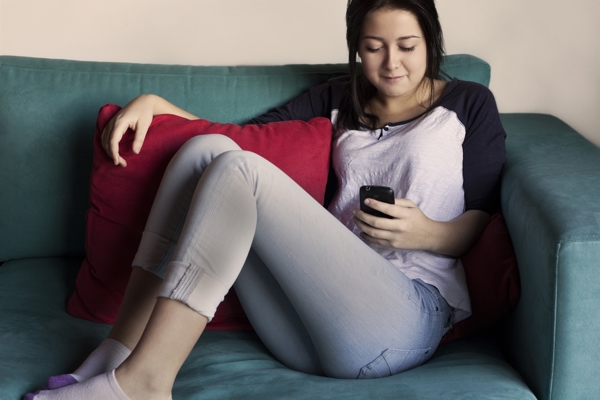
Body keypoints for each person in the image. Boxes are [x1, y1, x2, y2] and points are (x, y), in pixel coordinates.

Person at [25, 0, 505, 399]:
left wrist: (429, 233)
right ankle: (121, 348)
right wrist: (158, 105)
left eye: (407, 46)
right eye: (373, 47)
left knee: (241, 171)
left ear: (431, 41)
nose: (391, 63)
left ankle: (147, 382)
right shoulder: (336, 99)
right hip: (308, 327)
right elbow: (244, 138)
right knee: (207, 151)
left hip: (403, 321)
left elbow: (482, 214)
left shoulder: (468, 103)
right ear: (357, 49)